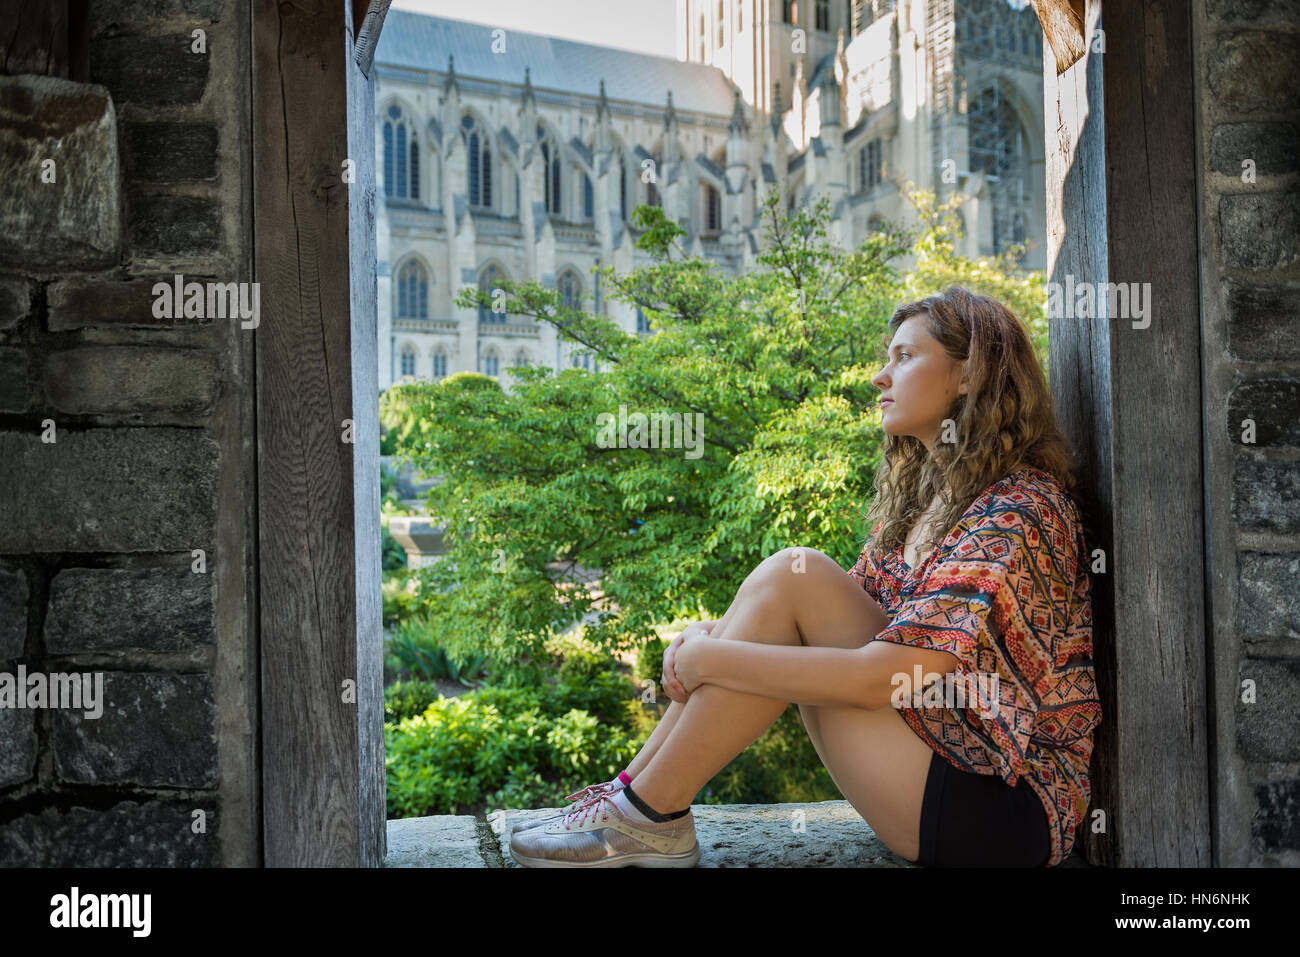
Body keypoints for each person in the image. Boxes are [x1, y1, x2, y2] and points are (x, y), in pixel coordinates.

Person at [509, 285, 1102, 868]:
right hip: (938, 757)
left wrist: (708, 661)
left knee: (795, 575)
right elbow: (806, 616)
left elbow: (882, 678)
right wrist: (714, 636)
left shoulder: (1019, 510)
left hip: (1003, 809)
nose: (880, 377)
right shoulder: (931, 504)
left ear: (969, 375)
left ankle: (645, 814)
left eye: (905, 356)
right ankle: (632, 799)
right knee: (792, 577)